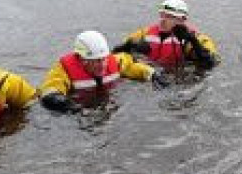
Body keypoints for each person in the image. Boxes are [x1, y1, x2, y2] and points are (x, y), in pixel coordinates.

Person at [39, 30, 168, 113]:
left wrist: (152, 74)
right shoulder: (64, 70)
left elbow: (131, 67)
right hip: (80, 108)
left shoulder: (114, 60)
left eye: (103, 59)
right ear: (81, 59)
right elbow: (51, 89)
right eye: (95, 60)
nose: (102, 64)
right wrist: (62, 102)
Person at [112, 0, 218, 70]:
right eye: (162, 15)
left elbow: (211, 63)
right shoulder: (145, 33)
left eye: (169, 16)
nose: (163, 20)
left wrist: (193, 41)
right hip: (151, 75)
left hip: (178, 79)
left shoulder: (197, 38)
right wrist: (128, 46)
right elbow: (113, 55)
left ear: (182, 20)